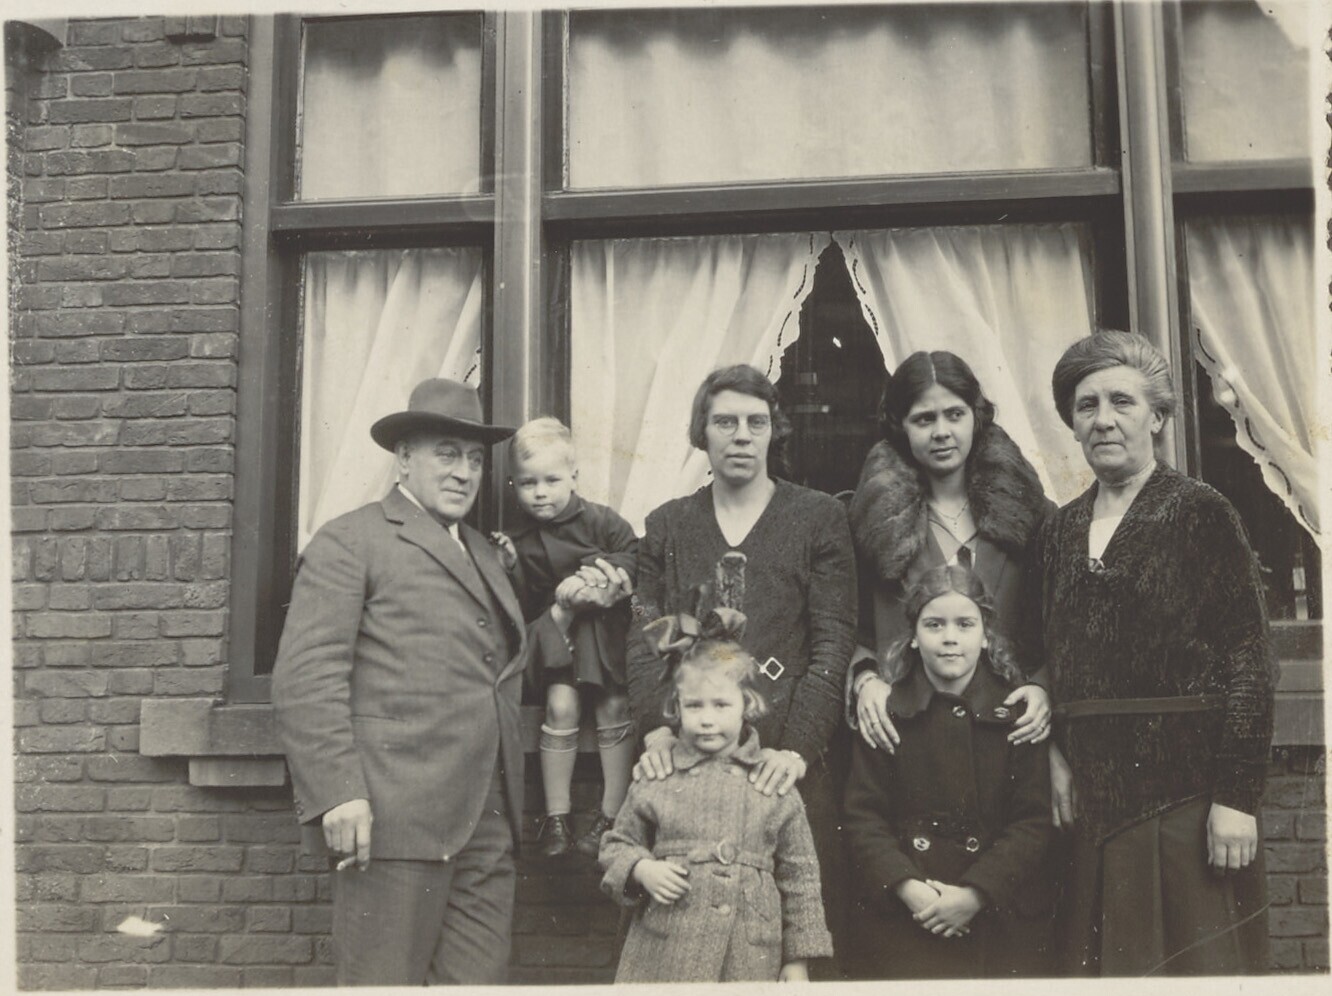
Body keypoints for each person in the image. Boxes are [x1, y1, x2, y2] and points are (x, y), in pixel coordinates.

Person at [271, 378, 631, 986]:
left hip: (488, 826)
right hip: (392, 822)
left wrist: (566, 613)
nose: (464, 472)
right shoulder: (350, 540)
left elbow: (507, 669)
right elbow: (306, 676)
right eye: (446, 454)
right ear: (403, 458)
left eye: (474, 459)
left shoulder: (486, 553)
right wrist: (337, 792)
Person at [1027, 329, 1277, 975]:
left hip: (1185, 803)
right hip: (1088, 806)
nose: (1103, 419)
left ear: (1158, 418)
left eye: (1122, 402)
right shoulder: (1058, 530)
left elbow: (1249, 661)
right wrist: (1053, 751)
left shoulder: (1201, 512)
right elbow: (1047, 656)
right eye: (1087, 405)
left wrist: (1237, 798)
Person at [625, 363, 856, 973]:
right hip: (689, 761)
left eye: (756, 422)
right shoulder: (668, 525)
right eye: (725, 422)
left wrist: (798, 749)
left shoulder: (817, 518)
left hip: (785, 766)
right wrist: (657, 731)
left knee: (790, 948)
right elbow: (644, 634)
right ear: (701, 431)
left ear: (774, 430)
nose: (742, 436)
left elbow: (833, 641)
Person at [841, 565, 1054, 979]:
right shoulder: (886, 713)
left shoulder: (1016, 715)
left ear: (986, 635)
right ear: (914, 636)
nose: (950, 637)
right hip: (907, 918)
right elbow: (863, 818)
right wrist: (909, 887)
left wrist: (976, 893)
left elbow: (1032, 822)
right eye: (934, 624)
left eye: (965, 624)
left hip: (994, 921)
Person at [600, 608, 833, 982]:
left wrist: (798, 960)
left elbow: (800, 878)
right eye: (694, 705)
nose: (707, 719)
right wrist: (642, 869)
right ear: (676, 708)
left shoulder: (771, 783)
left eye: (721, 705)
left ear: (747, 705)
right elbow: (616, 844)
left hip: (749, 955)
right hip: (664, 953)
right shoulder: (659, 774)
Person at [845, 350, 1054, 756]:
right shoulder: (870, 523)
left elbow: (1058, 630)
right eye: (924, 419)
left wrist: (1043, 688)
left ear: (976, 417)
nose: (941, 432)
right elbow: (852, 632)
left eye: (955, 415)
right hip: (907, 739)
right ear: (901, 427)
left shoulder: (1032, 515)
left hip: (1011, 737)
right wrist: (865, 680)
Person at [492, 417, 639, 858]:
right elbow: (519, 609)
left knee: (614, 706)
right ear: (514, 484)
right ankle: (556, 817)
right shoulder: (520, 539)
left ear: (574, 476)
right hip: (559, 644)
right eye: (528, 483)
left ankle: (612, 815)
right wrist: (511, 567)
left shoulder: (602, 521)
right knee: (559, 706)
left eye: (552, 480)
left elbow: (633, 556)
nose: (540, 493)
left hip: (605, 640)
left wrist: (597, 577)